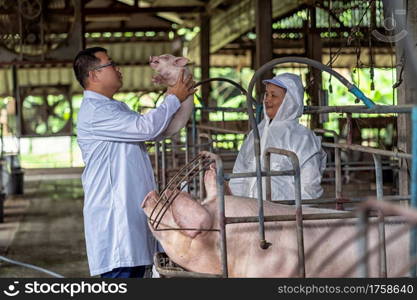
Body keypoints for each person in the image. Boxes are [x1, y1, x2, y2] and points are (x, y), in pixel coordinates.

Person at [73, 47, 195, 278]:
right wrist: (173, 97)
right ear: (94, 75)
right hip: (117, 221)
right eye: (110, 64)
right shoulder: (96, 111)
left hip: (131, 216)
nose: (118, 68)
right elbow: (147, 128)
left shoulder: (114, 108)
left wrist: (180, 93)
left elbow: (159, 130)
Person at [229, 73, 326, 201]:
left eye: (273, 95)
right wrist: (236, 205)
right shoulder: (256, 132)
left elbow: (309, 188)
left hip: (283, 215)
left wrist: (292, 216)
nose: (267, 99)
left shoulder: (302, 138)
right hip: (248, 212)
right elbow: (239, 173)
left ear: (289, 101)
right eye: (267, 94)